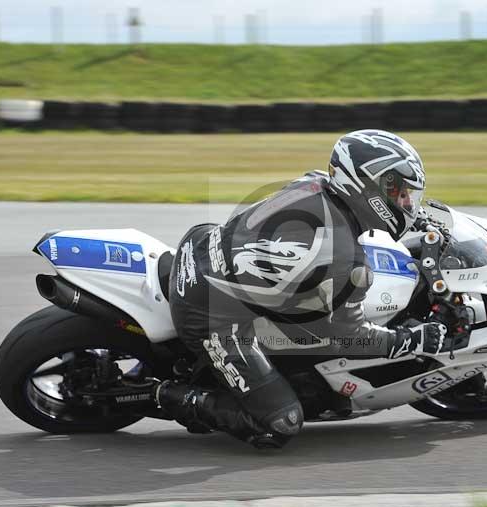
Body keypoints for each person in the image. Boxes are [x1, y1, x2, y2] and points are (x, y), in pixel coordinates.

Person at [157, 129, 447, 448]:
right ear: (368, 185)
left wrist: (417, 218)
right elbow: (346, 337)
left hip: (201, 243)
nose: (405, 201)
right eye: (398, 191)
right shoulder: (344, 260)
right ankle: (169, 395)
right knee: (281, 423)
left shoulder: (317, 183)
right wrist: (406, 340)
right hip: (210, 314)